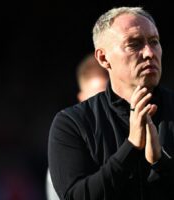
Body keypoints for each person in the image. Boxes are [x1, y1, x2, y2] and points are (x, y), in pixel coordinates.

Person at [48, 6, 174, 200]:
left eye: (154, 42)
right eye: (134, 44)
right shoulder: (72, 123)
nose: (150, 53)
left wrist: (162, 164)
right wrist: (130, 148)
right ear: (103, 58)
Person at [46, 53, 109, 200]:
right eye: (94, 99)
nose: (102, 106)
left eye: (108, 97)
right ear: (81, 99)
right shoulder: (63, 158)